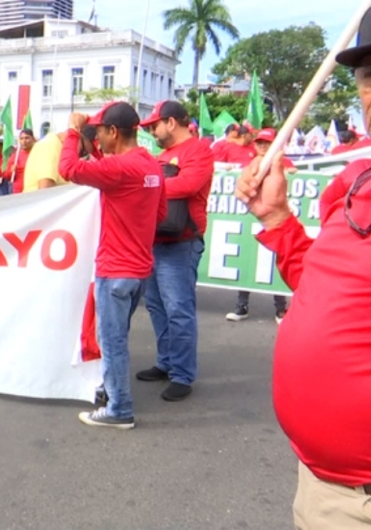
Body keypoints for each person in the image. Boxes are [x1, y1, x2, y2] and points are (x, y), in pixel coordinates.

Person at [234, 15, 371, 526]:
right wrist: (275, 218)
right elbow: (319, 286)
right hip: (322, 486)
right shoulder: (355, 181)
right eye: (367, 75)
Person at [58, 102, 167, 430]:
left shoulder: (121, 170)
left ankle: (119, 408)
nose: (98, 138)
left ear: (114, 132)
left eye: (100, 131)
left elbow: (68, 168)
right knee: (117, 335)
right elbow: (159, 214)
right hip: (139, 269)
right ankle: (111, 388)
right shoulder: (150, 165)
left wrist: (73, 132)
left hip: (115, 269)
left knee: (112, 340)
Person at [137, 101, 215, 402]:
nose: (152, 132)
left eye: (154, 126)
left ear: (171, 123)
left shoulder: (199, 150)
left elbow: (188, 184)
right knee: (157, 306)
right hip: (158, 239)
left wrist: (146, 187)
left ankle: (182, 374)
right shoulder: (165, 156)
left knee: (178, 309)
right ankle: (167, 361)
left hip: (182, 241)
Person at [226, 127, 294, 324]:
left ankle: (280, 309)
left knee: (274, 265)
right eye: (260, 142)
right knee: (246, 261)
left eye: (267, 143)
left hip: (274, 223)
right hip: (251, 222)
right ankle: (241, 306)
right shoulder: (249, 165)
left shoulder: (286, 163)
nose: (263, 146)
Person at [22, 126, 97, 192]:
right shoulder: (50, 146)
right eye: (83, 152)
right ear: (76, 135)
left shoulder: (58, 147)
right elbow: (45, 190)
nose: (80, 156)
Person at [6, 129, 36, 194]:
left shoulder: (37, 153)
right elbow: (7, 176)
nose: (24, 141)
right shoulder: (15, 156)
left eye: (27, 138)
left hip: (34, 191)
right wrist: (11, 171)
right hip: (18, 192)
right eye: (21, 138)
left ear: (33, 139)